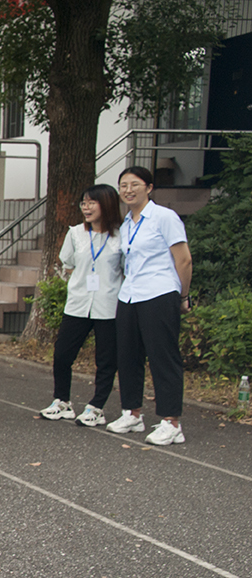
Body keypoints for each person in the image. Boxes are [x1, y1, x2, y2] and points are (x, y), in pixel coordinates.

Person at [108, 166, 193, 445]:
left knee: (162, 357)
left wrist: (182, 296)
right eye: (123, 185)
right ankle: (132, 413)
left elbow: (184, 260)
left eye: (135, 184)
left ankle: (171, 422)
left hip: (159, 292)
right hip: (130, 295)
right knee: (128, 356)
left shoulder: (164, 217)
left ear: (149, 187)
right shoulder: (127, 223)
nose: (128, 190)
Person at [39, 184, 123, 426]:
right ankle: (62, 401)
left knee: (106, 359)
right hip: (78, 304)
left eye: (91, 202)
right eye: (83, 203)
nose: (85, 207)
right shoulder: (76, 233)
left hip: (108, 304)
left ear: (106, 204)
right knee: (63, 354)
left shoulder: (120, 235)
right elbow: (68, 264)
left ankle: (96, 407)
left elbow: (125, 269)